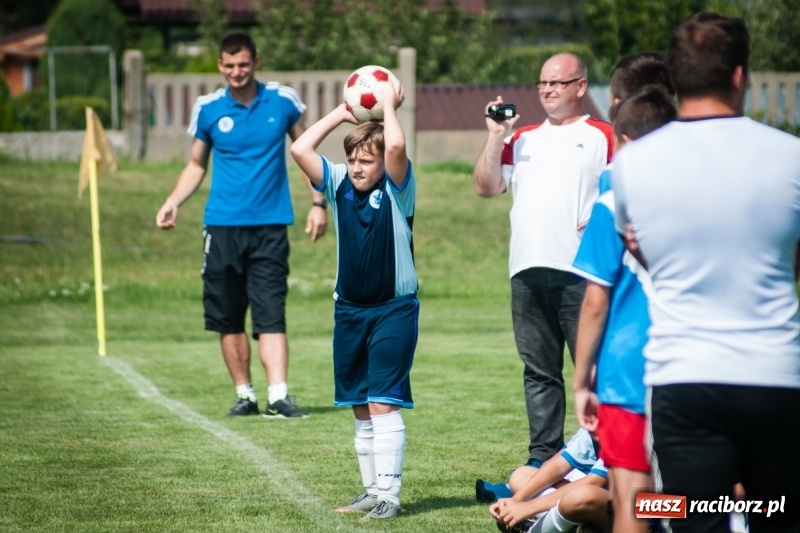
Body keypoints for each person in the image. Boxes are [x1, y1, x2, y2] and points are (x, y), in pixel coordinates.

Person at [612, 13, 800, 532]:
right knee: (779, 516)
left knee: (693, 519)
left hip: (683, 376)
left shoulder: (631, 163)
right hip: (774, 377)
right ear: (739, 75)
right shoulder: (791, 156)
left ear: (677, 77)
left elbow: (647, 250)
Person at [155, 32, 327, 418]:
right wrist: (172, 201)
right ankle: (245, 395)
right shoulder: (208, 109)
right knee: (228, 314)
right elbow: (196, 164)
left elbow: (305, 155)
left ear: (256, 61)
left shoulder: (282, 101)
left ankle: (279, 396)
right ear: (219, 65)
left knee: (271, 312)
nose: (237, 71)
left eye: (243, 64)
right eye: (229, 65)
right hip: (221, 227)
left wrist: (319, 202)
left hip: (271, 227)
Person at [473, 53, 614, 470]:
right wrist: (496, 135)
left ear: (581, 87)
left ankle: (607, 458)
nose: (548, 89)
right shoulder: (523, 138)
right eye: (542, 83)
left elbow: (633, 185)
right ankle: (543, 461)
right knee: (539, 372)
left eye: (557, 82)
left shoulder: (602, 135)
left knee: (591, 370)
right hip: (527, 270)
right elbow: (486, 186)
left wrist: (606, 211)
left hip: (581, 272)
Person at [290, 77, 416, 521]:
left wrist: (389, 109)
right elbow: (300, 150)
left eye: (367, 160)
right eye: (353, 159)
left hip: (393, 310)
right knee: (360, 405)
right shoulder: (339, 183)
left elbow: (396, 148)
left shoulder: (399, 188)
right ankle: (371, 490)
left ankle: (391, 498)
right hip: (348, 310)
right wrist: (343, 114)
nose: (358, 167)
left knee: (383, 399)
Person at [572, 81, 677, 533]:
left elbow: (595, 302)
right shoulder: (707, 192)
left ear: (626, 143)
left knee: (631, 502)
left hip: (630, 371)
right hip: (700, 365)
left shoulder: (614, 196)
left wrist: (580, 379)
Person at [489, 427, 609, 533]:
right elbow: (558, 465)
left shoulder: (624, 429)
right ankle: (572, 526)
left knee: (582, 495)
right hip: (600, 507)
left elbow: (595, 481)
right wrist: (516, 500)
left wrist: (528, 507)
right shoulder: (594, 424)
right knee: (521, 475)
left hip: (623, 517)